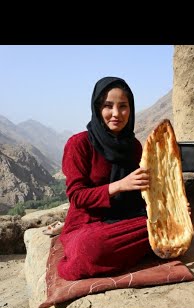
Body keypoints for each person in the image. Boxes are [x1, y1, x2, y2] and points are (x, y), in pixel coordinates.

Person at [58, 76, 162, 281]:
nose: (116, 114)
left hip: (127, 220)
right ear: (97, 108)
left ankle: (142, 244)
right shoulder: (79, 144)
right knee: (90, 248)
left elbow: (142, 195)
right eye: (108, 106)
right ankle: (145, 246)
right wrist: (119, 186)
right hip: (88, 225)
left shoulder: (134, 147)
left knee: (168, 222)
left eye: (123, 106)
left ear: (130, 109)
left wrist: (169, 209)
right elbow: (77, 197)